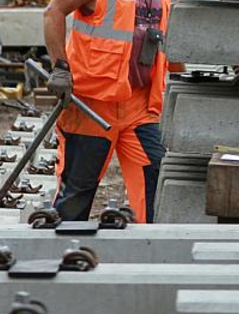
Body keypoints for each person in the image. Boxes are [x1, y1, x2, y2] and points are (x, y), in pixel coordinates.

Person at [43, 0, 183, 223]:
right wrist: (60, 68)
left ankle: (148, 247)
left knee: (155, 179)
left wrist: (181, 81)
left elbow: (170, 39)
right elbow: (53, 12)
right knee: (77, 192)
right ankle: (67, 251)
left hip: (140, 105)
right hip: (92, 105)